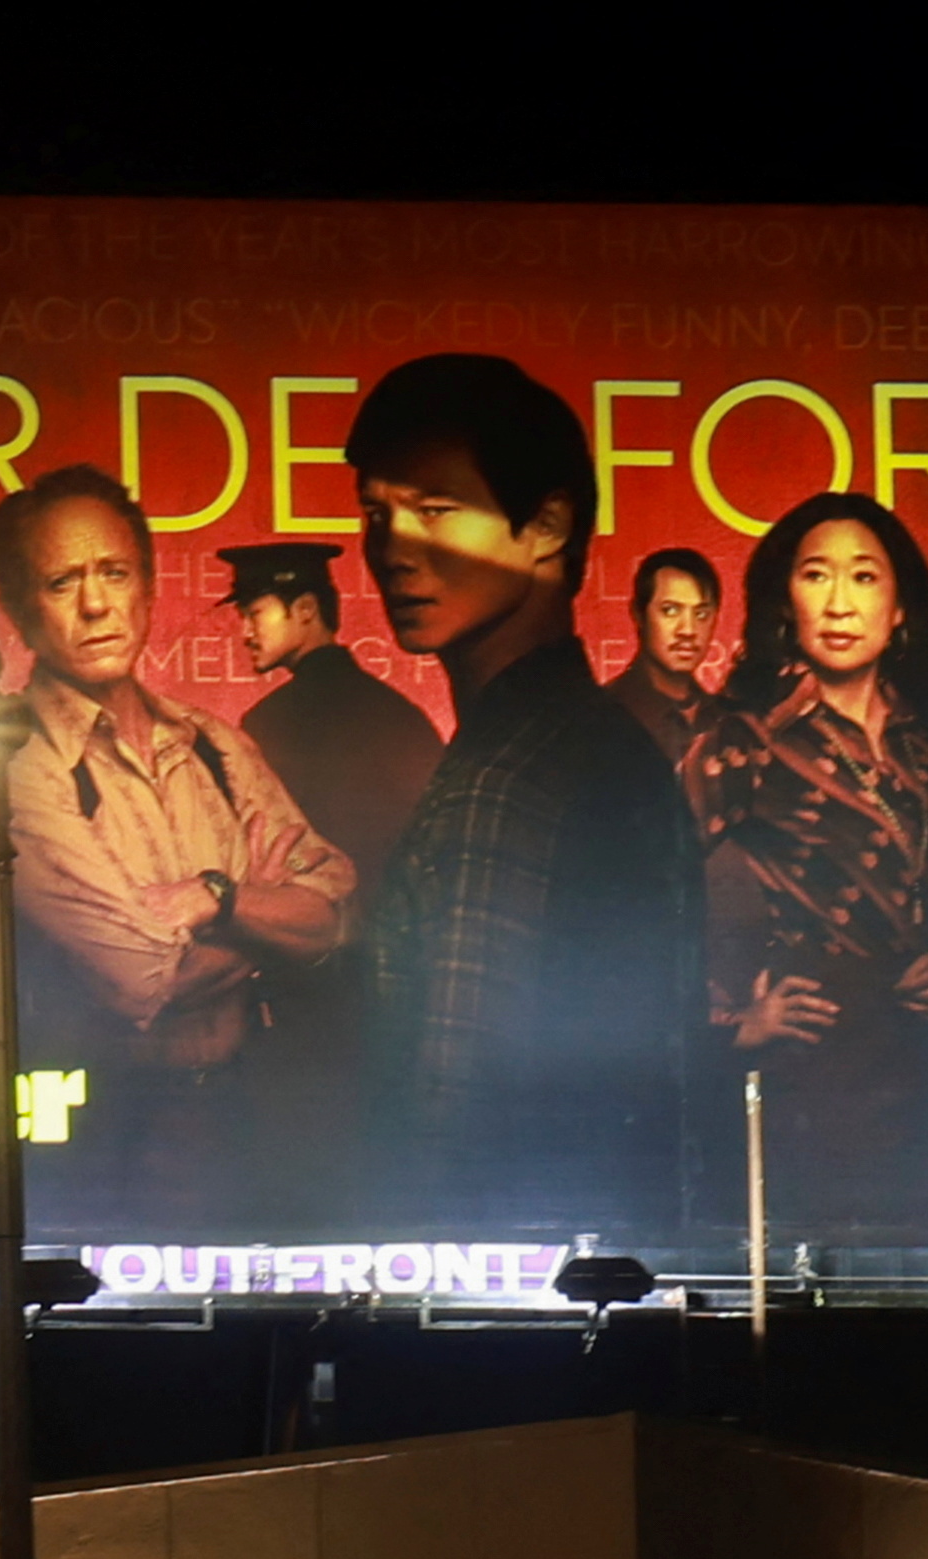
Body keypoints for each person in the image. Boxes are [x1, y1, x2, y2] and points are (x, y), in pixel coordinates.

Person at [340, 352, 701, 1231]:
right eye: (377, 515)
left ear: (545, 526)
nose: (393, 551)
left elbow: (447, 1104)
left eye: (436, 512)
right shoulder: (599, 741)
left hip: (502, 1296)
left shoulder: (509, 775)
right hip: (607, 1271)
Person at [0, 465, 357, 1228]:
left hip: (241, 1119)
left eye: (113, 573)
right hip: (103, 1137)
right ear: (23, 614)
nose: (95, 604)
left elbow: (340, 913)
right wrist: (268, 929)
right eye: (61, 583)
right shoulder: (15, 763)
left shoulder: (213, 745)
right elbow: (143, 980)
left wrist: (214, 899)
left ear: (147, 590)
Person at [683, 488, 928, 1220]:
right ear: (785, 605)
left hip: (924, 1061)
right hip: (813, 1070)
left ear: (901, 606)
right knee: (817, 1289)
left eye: (865, 576)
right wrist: (729, 1021)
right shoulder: (747, 737)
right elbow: (633, 887)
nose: (841, 603)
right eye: (816, 575)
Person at [218, 540, 442, 880]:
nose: (245, 633)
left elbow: (270, 849)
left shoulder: (272, 719)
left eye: (254, 614)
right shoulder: (398, 710)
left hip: (325, 915)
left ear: (307, 608)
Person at [604, 546, 720, 764]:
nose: (688, 630)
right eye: (670, 610)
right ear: (638, 614)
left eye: (701, 614)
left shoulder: (726, 720)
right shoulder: (602, 715)